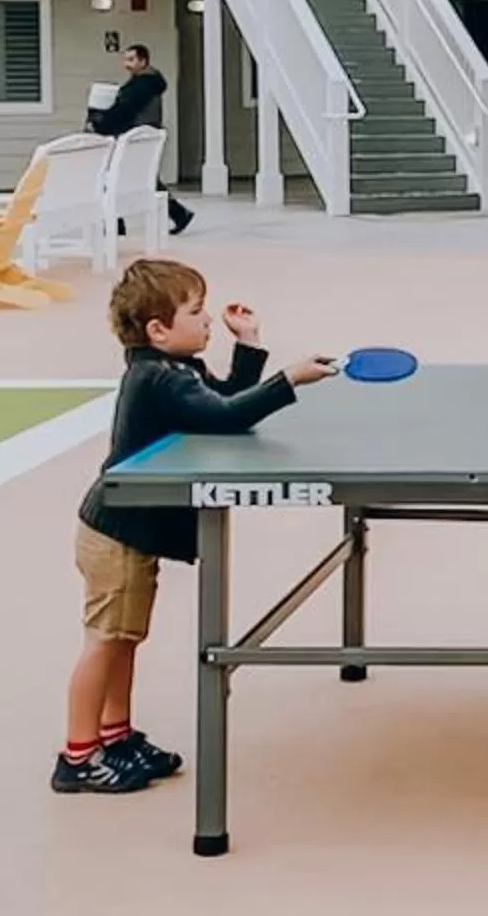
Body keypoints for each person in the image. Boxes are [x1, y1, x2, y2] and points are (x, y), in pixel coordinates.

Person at [57, 258, 334, 794]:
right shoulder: (156, 378)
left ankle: (116, 736)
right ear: (158, 330)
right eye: (196, 311)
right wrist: (288, 379)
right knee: (106, 642)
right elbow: (227, 417)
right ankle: (79, 756)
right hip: (116, 534)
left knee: (124, 640)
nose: (207, 319)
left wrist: (248, 344)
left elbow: (223, 405)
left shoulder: (177, 369)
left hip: (130, 533)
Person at [92, 43, 192, 237]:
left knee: (112, 177)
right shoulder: (149, 83)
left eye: (131, 59)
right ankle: (179, 214)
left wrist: (101, 123)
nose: (126, 64)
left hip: (134, 137)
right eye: (125, 59)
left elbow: (124, 110)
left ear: (143, 61)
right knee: (143, 178)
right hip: (142, 137)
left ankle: (116, 222)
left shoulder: (141, 86)